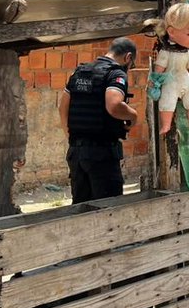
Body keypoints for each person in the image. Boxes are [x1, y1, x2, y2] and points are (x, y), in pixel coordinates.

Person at [58, 37, 139, 203]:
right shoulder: (115, 73)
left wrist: (71, 137)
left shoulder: (80, 71)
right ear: (128, 57)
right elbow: (114, 104)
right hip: (102, 153)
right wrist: (133, 116)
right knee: (108, 209)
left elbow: (62, 107)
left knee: (81, 208)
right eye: (131, 65)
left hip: (76, 153)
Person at [145, 0, 189, 134]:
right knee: (167, 103)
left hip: (186, 81)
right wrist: (156, 79)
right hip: (171, 82)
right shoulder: (166, 52)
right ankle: (166, 124)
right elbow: (160, 67)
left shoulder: (186, 53)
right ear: (171, 32)